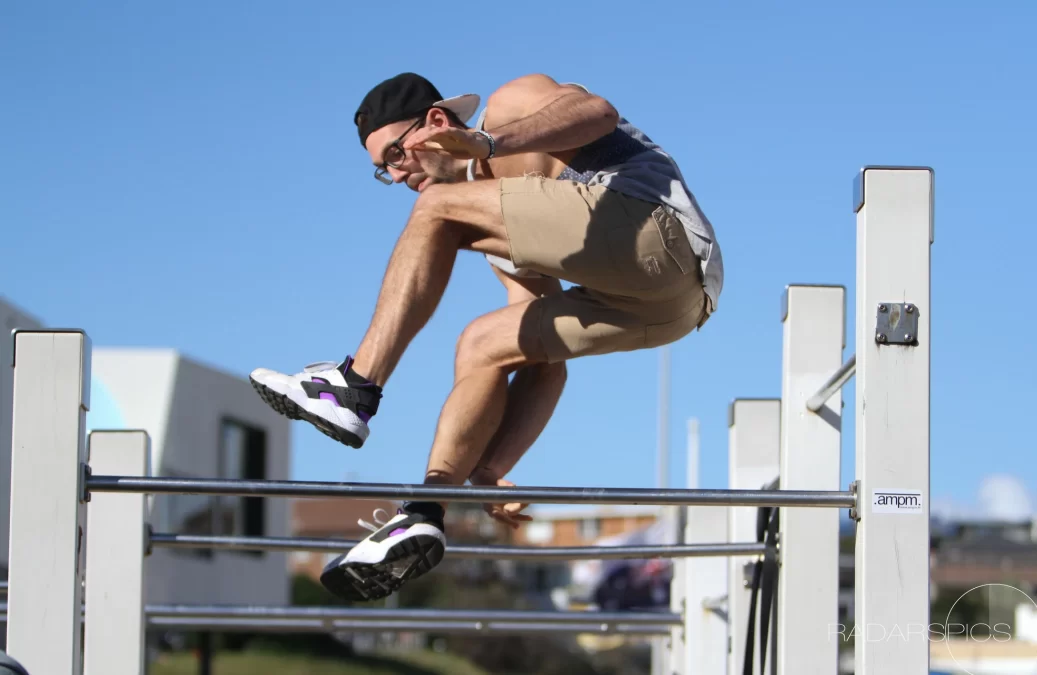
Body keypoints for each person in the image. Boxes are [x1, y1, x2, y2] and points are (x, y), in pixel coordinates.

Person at [250, 72, 723, 602]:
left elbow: (599, 114)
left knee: (434, 209)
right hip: (670, 309)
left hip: (657, 228)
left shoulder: (509, 106)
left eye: (396, 155)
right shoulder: (500, 224)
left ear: (435, 121)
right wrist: (493, 467)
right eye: (384, 170)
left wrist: (487, 141)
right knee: (483, 343)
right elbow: (543, 360)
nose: (397, 176)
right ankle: (426, 511)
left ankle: (355, 385)